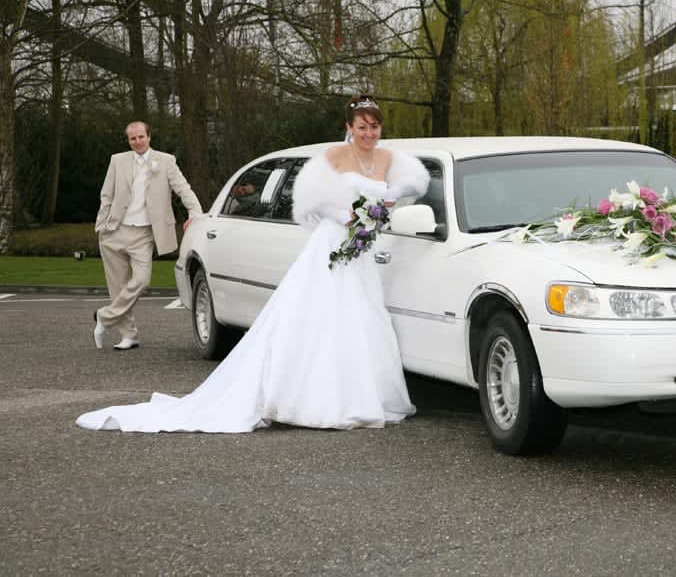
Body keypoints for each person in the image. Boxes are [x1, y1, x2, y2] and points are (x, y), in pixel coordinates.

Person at [76, 94, 430, 433]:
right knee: (323, 317)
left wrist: (381, 211)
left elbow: (407, 190)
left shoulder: (389, 159)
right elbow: (311, 203)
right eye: (362, 127)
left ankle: (366, 396)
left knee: (361, 317)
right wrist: (349, 216)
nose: (369, 134)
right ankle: (319, 400)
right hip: (332, 246)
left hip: (361, 251)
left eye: (374, 127)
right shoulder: (333, 157)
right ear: (349, 127)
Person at [93, 121, 202, 350]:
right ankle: (128, 336)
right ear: (128, 140)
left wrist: (195, 212)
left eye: (141, 137)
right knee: (118, 287)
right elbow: (106, 194)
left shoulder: (166, 161)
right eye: (133, 138)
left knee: (141, 281)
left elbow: (183, 188)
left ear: (149, 137)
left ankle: (104, 317)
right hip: (114, 231)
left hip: (143, 234)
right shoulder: (117, 160)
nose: (137, 141)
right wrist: (101, 226)